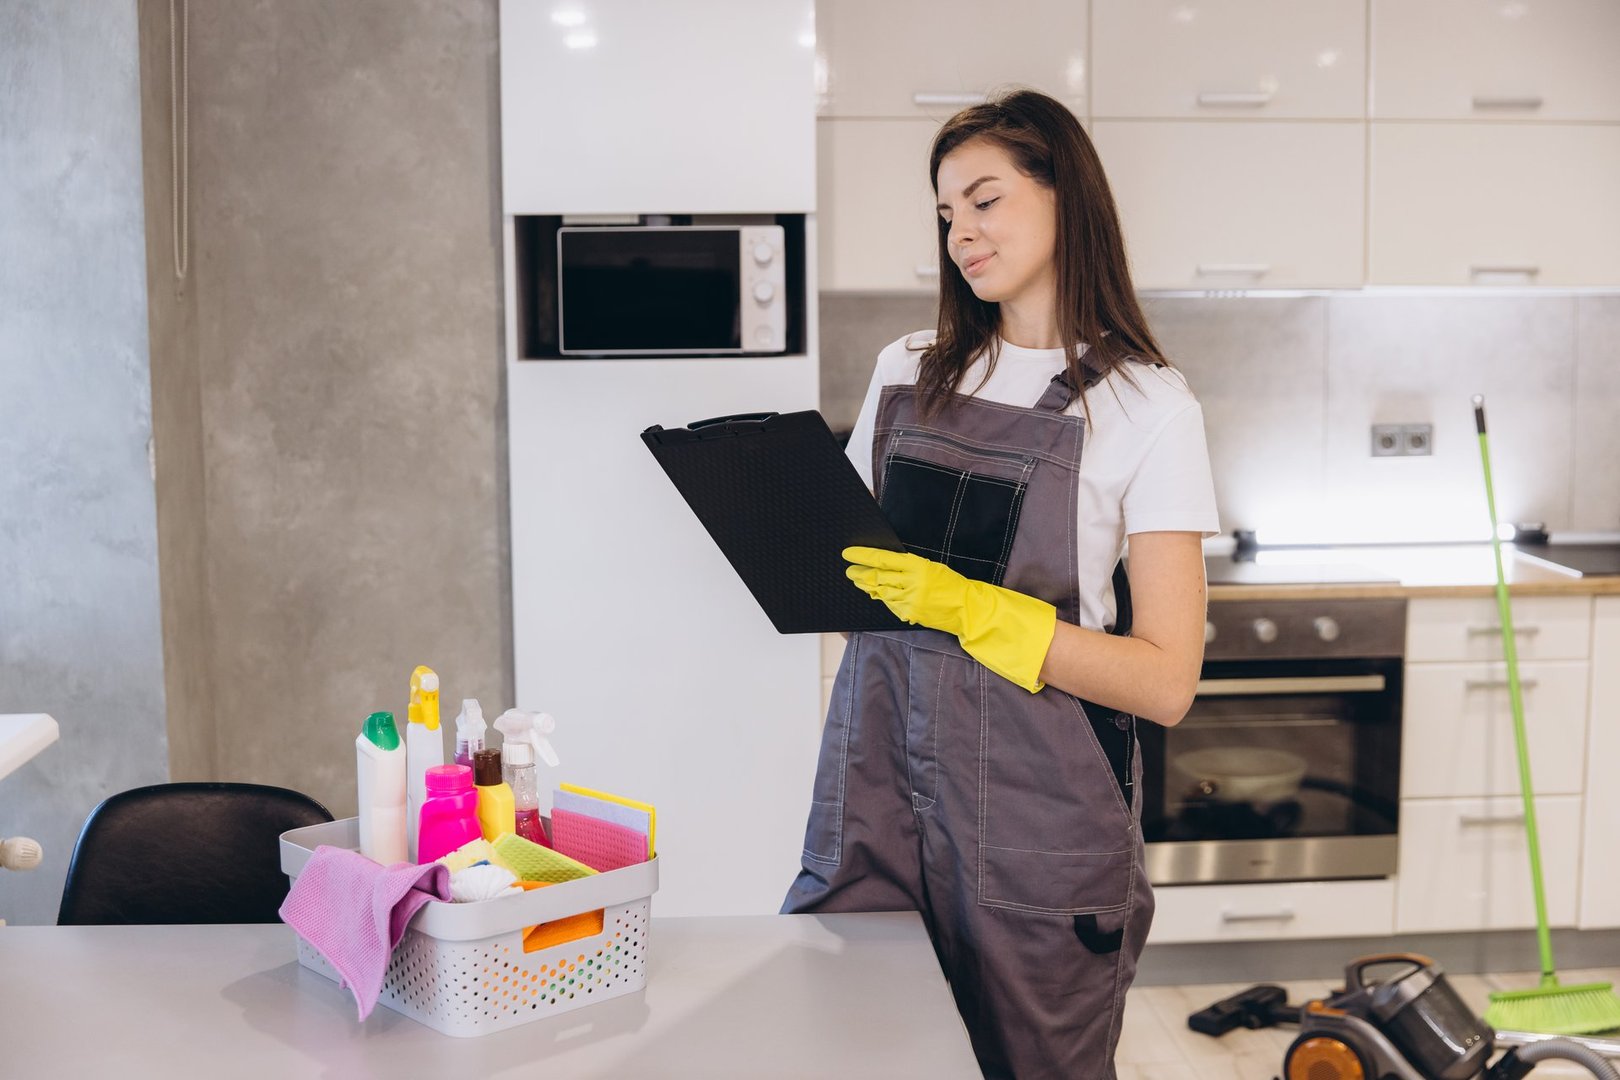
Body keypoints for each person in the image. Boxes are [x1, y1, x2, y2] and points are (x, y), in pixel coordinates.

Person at [781, 89, 1219, 1079]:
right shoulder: (906, 371)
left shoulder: (1147, 406)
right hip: (880, 789)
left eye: (985, 200)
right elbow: (846, 572)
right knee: (856, 1054)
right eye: (945, 214)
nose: (961, 234)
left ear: (1067, 197)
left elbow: (1166, 680)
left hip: (1038, 823)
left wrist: (974, 612)